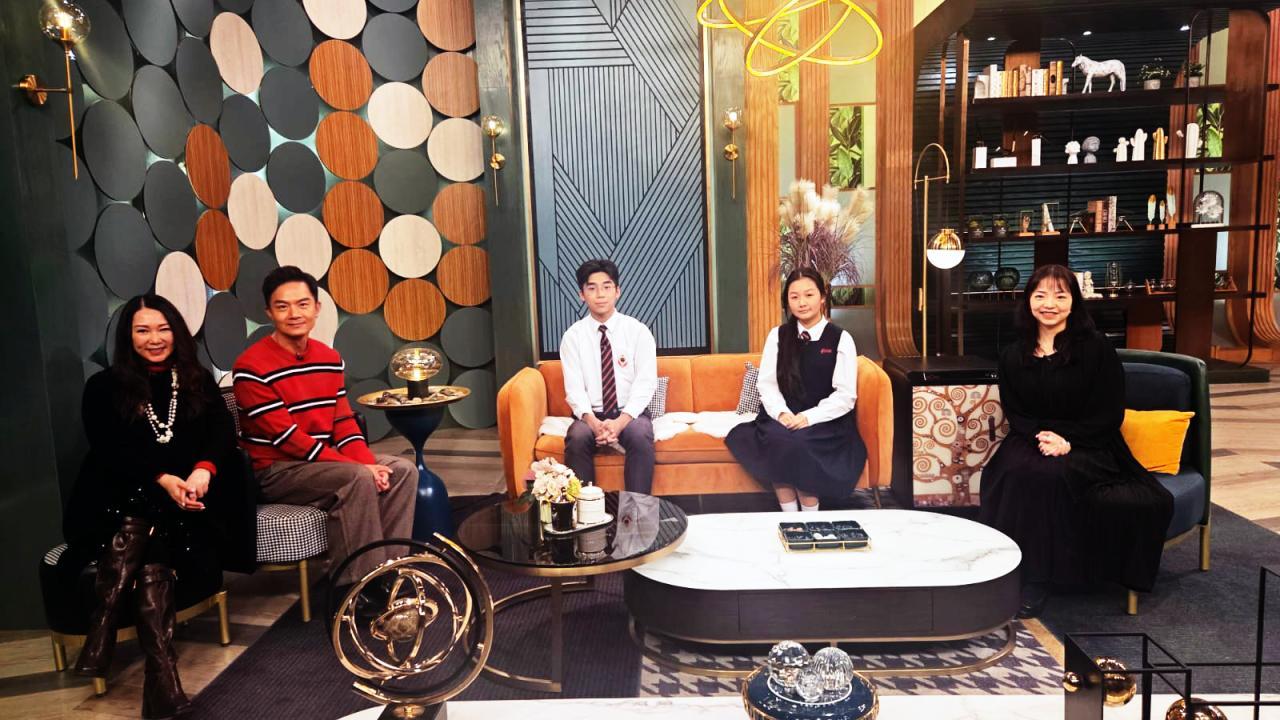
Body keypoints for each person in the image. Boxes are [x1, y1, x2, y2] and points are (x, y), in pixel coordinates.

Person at [62, 294, 252, 719]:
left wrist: (202, 471)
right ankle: (162, 680)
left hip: (184, 504)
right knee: (146, 522)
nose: (154, 338)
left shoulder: (196, 380)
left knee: (151, 534)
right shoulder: (104, 387)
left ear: (177, 332)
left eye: (163, 328)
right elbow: (110, 450)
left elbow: (222, 434)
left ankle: (104, 627)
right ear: (128, 336)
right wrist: (163, 479)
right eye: (143, 330)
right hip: (113, 502)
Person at [979, 264, 1174, 618]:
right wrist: (1042, 437)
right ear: (1028, 301)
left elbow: (1109, 411)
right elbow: (1016, 410)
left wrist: (1068, 440)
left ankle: (1040, 579)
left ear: (1074, 301)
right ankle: (1007, 568)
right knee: (1008, 473)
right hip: (1032, 435)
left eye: (1060, 296)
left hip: (1091, 440)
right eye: (1040, 295)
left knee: (1050, 476)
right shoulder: (1013, 354)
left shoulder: (1096, 348)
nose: (1049, 304)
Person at [232, 266, 416, 585]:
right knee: (356, 477)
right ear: (269, 313)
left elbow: (343, 423)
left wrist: (369, 462)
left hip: (320, 462)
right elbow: (288, 439)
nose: (294, 314)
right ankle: (357, 586)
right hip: (276, 470)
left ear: (317, 308)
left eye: (303, 304)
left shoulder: (328, 358)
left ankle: (389, 573)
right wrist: (360, 468)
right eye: (282, 306)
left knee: (402, 471)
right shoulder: (251, 367)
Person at [726, 268, 867, 511]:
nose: (802, 303)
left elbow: (845, 395)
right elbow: (767, 384)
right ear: (787, 301)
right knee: (778, 439)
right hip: (783, 415)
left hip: (824, 421)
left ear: (822, 297)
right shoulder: (778, 336)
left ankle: (809, 520)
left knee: (800, 445)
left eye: (809, 295)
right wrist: (782, 413)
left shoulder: (841, 338)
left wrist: (808, 417)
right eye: (794, 297)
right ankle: (790, 519)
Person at [559, 259, 658, 493]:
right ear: (581, 295)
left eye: (607, 286)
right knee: (577, 436)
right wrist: (594, 423)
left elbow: (645, 383)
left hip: (630, 414)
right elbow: (574, 389)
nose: (600, 294)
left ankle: (636, 510)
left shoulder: (638, 331)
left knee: (640, 434)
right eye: (592, 288)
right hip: (590, 415)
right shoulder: (573, 337)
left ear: (617, 291)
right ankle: (584, 508)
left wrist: (620, 422)